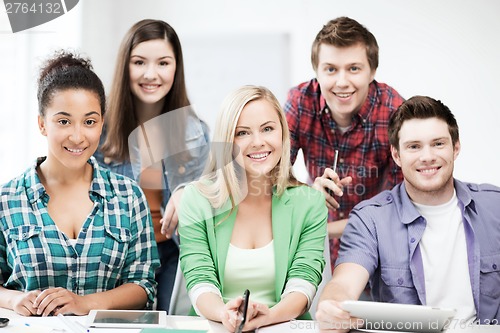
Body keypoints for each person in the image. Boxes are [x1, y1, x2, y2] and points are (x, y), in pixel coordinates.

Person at [316, 96, 500, 332]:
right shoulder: (370, 219)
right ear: (396, 155)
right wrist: (332, 306)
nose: (427, 157)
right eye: (414, 146)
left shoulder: (494, 205)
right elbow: (343, 283)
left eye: (438, 144)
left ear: (456, 148)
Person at [0, 50, 160, 317]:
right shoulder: (7, 199)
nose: (77, 136)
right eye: (63, 121)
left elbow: (144, 285)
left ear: (101, 124)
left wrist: (87, 303)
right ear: (42, 124)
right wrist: (13, 299)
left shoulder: (128, 195)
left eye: (89, 122)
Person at [178, 86, 328, 331]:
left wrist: (268, 317)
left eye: (268, 129)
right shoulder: (196, 199)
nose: (258, 142)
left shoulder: (309, 203)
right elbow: (198, 277)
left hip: (283, 325)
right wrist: (223, 314)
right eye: (242, 133)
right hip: (215, 326)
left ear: (282, 133)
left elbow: (304, 281)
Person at [94, 19, 210, 312]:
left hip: (175, 250)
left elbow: (212, 198)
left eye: (163, 63)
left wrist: (190, 191)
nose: (151, 74)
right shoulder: (99, 131)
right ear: (125, 66)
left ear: (176, 67)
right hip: (121, 259)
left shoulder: (194, 132)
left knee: (178, 324)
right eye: (139, 62)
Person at [284, 16, 405, 266]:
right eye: (330, 69)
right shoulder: (300, 101)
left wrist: (319, 229)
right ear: (316, 71)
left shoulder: (394, 110)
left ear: (372, 71)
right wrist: (305, 195)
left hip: (379, 245)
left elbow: (399, 205)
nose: (342, 82)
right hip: (316, 251)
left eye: (353, 68)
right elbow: (269, 175)